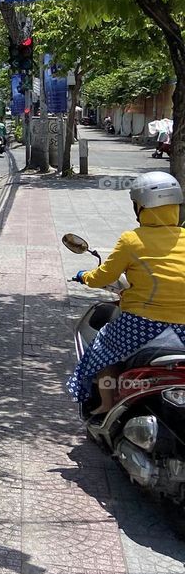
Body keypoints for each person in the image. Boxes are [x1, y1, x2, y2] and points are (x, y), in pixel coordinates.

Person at [68, 171, 185, 414]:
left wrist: (83, 276)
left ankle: (106, 405)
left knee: (102, 350)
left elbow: (104, 277)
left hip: (142, 325)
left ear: (140, 207)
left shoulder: (132, 240)